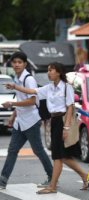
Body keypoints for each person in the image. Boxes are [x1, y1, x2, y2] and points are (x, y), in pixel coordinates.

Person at [5, 62, 88, 194]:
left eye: (51, 70)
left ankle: (52, 186)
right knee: (63, 157)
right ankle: (85, 177)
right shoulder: (48, 88)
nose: (49, 73)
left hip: (63, 121)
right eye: (48, 70)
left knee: (58, 156)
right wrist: (15, 86)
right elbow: (32, 91)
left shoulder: (67, 88)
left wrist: (66, 128)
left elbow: (70, 107)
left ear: (59, 72)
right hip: (54, 121)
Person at [0, 52, 53, 190]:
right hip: (20, 121)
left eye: (19, 62)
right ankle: (2, 180)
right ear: (11, 64)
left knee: (38, 151)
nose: (16, 64)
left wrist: (12, 105)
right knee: (12, 150)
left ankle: (52, 177)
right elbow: (20, 100)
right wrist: (13, 115)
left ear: (25, 64)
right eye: (14, 62)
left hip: (31, 121)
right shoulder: (16, 79)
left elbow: (31, 101)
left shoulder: (28, 79)